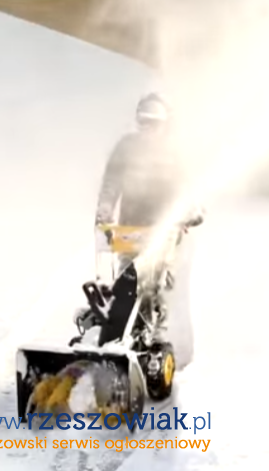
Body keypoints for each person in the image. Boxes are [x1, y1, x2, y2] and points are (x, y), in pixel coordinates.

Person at [95, 93, 203, 340]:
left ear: (163, 124)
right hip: (130, 228)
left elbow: (187, 189)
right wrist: (105, 209)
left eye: (153, 123)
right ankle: (117, 333)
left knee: (157, 283)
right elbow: (111, 182)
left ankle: (154, 336)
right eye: (143, 122)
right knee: (127, 281)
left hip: (165, 231)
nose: (147, 128)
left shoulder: (174, 153)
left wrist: (192, 212)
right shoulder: (126, 148)